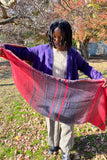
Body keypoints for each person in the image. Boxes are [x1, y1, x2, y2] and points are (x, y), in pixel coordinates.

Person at [0, 19, 107, 160]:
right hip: (48, 94)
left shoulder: (73, 54)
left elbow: (86, 67)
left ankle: (66, 150)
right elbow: (24, 52)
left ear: (67, 37)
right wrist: (3, 48)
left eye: (60, 38)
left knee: (68, 123)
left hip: (69, 95)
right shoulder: (41, 50)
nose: (56, 41)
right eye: (54, 37)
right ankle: (53, 144)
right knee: (51, 120)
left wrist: (100, 77)